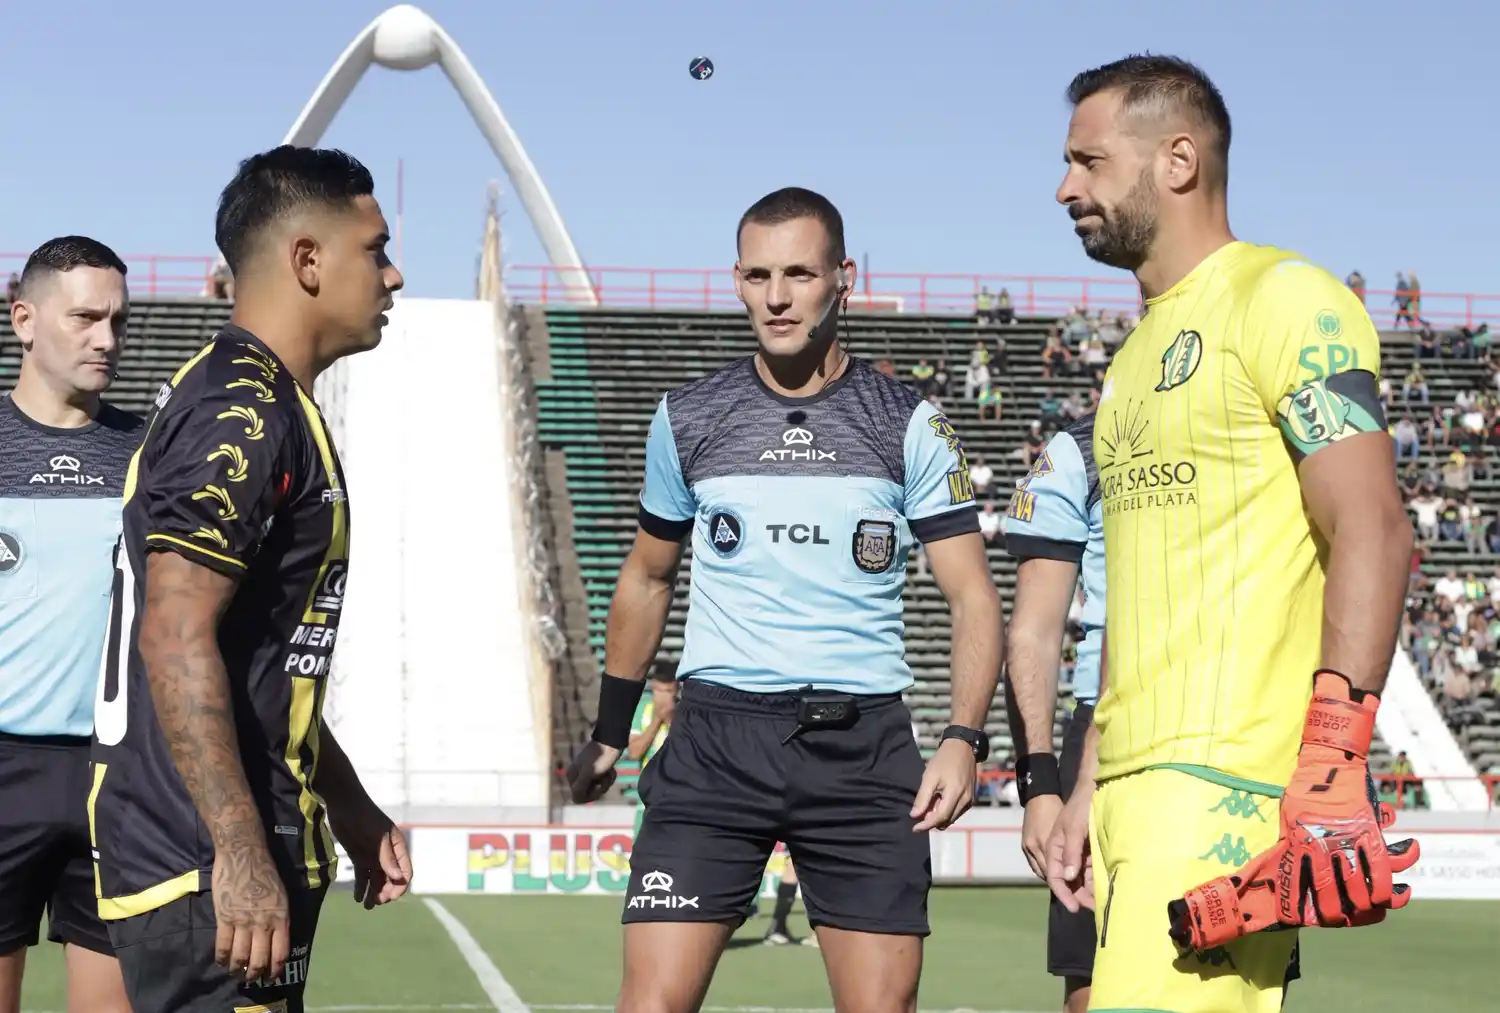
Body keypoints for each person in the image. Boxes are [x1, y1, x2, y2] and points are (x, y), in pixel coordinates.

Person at [565, 186, 1003, 1013]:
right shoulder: (686, 417)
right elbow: (646, 576)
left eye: (799, 273)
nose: (776, 296)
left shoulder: (910, 423)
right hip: (717, 743)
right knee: (648, 1005)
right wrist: (607, 731)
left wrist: (964, 738)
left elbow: (973, 593)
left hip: (863, 751)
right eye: (758, 274)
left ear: (843, 276)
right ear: (735, 279)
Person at [1044, 54, 1418, 1013]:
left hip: (1228, 788)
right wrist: (1092, 783)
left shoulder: (1287, 298)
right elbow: (1139, 589)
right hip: (1132, 789)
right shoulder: (1130, 355)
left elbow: (1373, 525)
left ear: (1177, 160)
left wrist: (1334, 761)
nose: (1064, 187)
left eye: (1087, 161)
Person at [89, 145, 413, 1013]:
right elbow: (174, 631)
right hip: (206, 865)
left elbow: (258, 661)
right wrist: (236, 849)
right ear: (308, 260)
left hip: (226, 851)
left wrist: (346, 799)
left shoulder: (266, 398)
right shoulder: (242, 409)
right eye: (375, 249)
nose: (394, 273)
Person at [0, 236, 141, 1013]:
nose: (108, 340)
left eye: (119, 320)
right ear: (24, 318)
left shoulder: (149, 454)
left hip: (115, 776)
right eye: (86, 316)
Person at [1000, 412, 1103, 1013]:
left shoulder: (1259, 421)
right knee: (1091, 984)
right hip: (1104, 721)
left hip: (1239, 716)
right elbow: (1033, 635)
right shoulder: (1083, 448)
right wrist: (1040, 785)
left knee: (1238, 986)